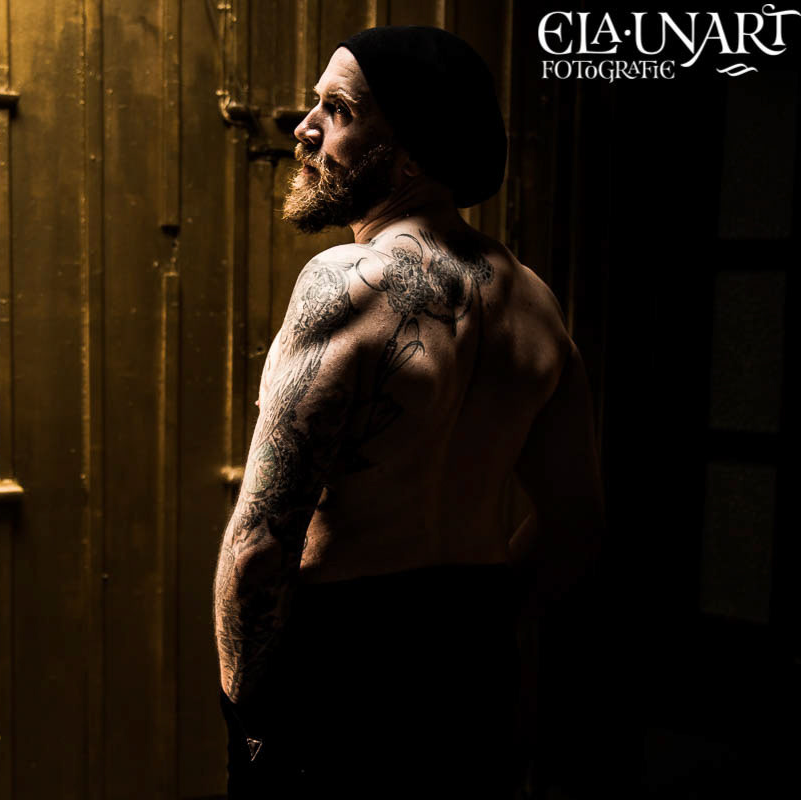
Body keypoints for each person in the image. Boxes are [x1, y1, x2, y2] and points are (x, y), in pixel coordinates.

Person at [211, 25, 604, 798]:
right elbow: (577, 525)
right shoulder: (534, 302)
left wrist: (244, 717)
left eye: (338, 110)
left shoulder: (348, 281)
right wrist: (477, 621)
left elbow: (259, 548)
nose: (304, 129)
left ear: (412, 152)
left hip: (341, 672)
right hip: (473, 673)